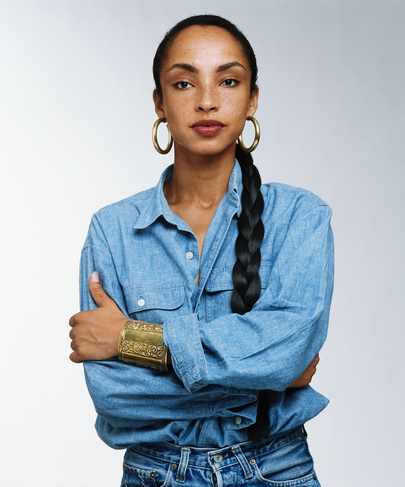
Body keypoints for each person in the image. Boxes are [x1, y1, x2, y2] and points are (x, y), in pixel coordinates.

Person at [69, 14, 333, 487]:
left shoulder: (301, 216)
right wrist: (260, 382)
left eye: (228, 81)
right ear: (159, 103)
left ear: (252, 100)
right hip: (156, 474)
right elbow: (113, 394)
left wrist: (131, 338)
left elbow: (288, 352)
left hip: (277, 470)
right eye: (185, 83)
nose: (208, 101)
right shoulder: (112, 230)